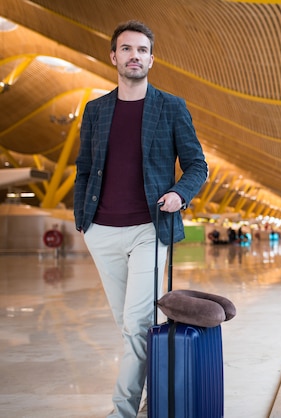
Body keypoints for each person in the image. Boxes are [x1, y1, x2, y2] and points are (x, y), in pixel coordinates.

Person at [73, 20, 208, 418]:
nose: (135, 56)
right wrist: (83, 220)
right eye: (127, 49)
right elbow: (84, 168)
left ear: (152, 58)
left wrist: (179, 194)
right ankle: (156, 393)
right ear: (114, 56)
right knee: (131, 326)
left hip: (150, 229)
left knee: (136, 325)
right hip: (101, 231)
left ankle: (123, 411)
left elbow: (197, 165)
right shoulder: (96, 110)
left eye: (142, 50)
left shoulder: (171, 107)